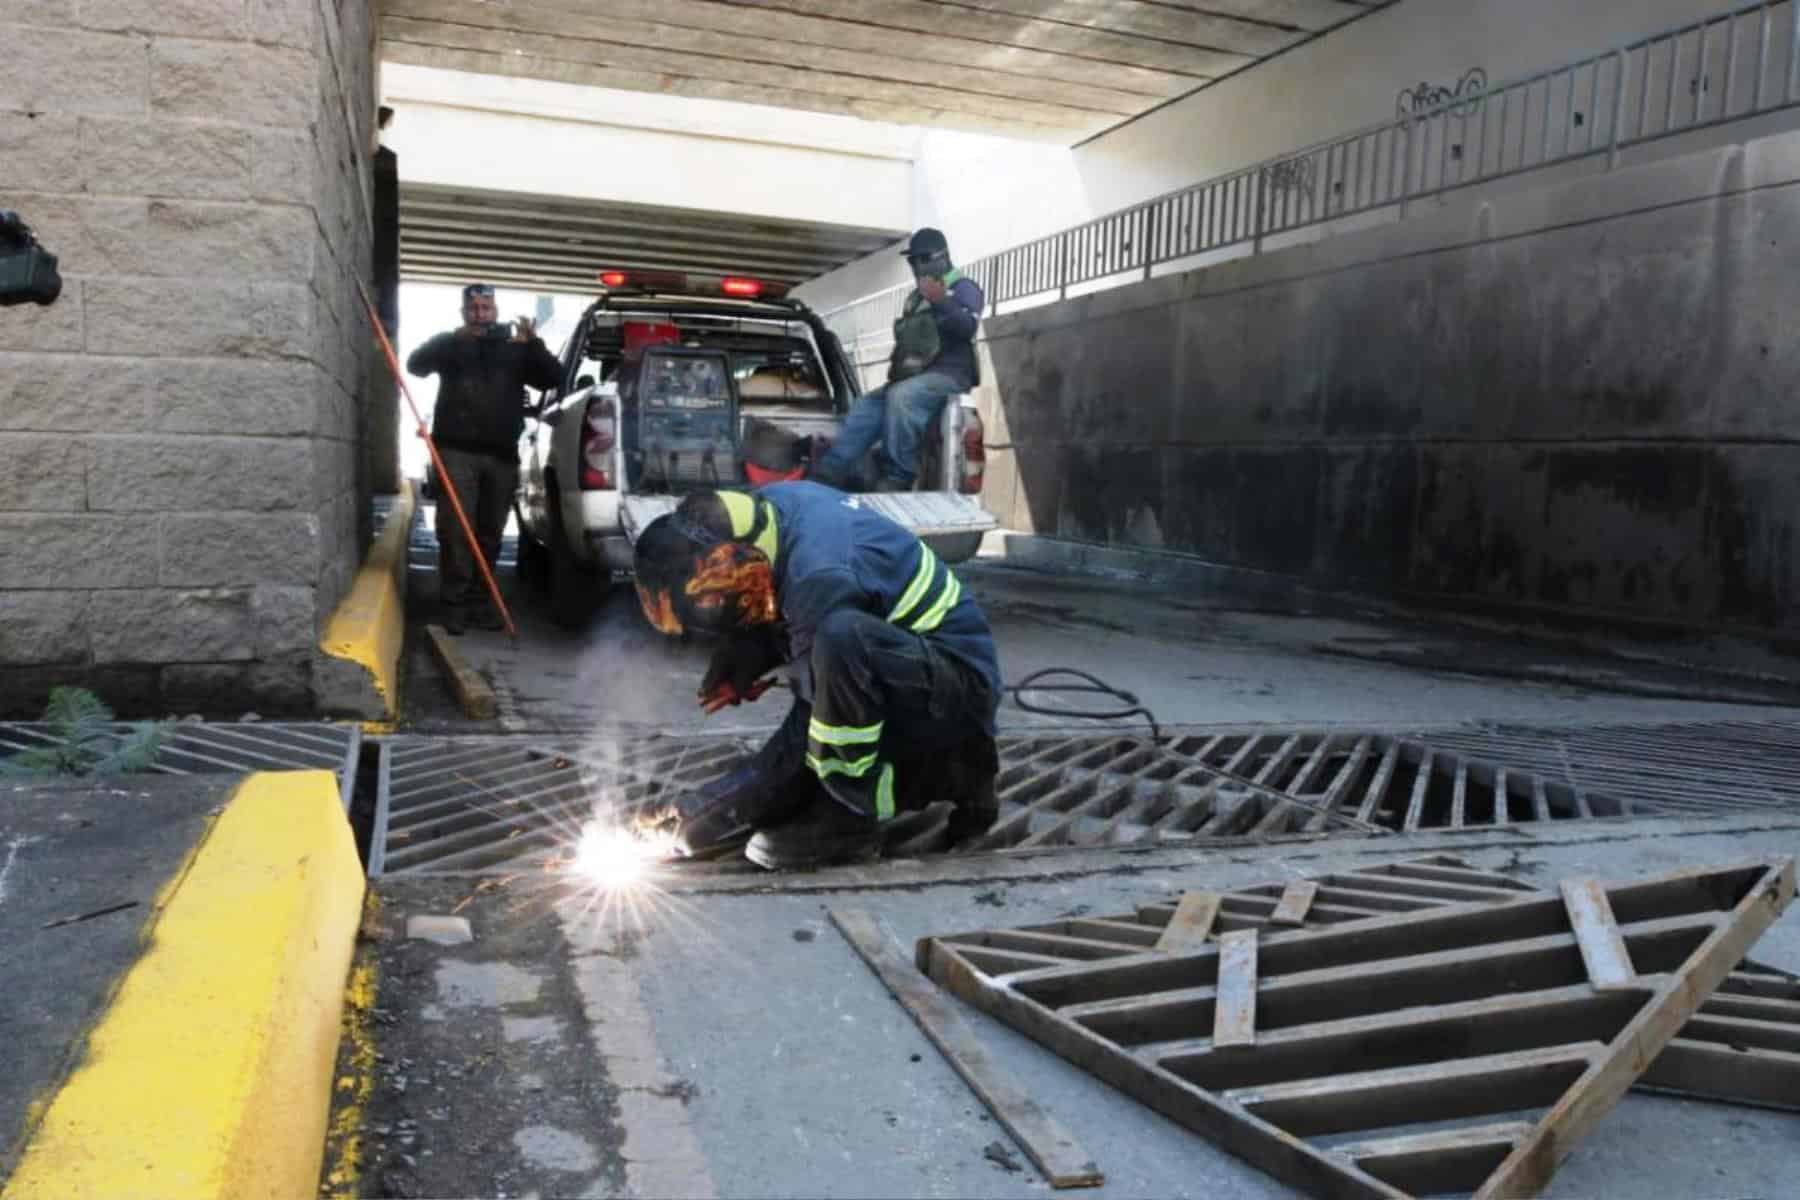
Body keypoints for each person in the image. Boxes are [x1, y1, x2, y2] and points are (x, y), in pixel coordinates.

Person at [632, 482, 1002, 870]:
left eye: (710, 599)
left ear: (734, 561)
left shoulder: (820, 577)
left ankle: (848, 818)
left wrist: (717, 807)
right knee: (834, 662)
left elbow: (811, 722)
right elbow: (780, 591)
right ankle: (968, 776)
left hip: (958, 696)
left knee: (841, 645)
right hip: (917, 671)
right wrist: (752, 649)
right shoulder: (771, 509)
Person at [407, 284, 563, 633]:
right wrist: (451, 339)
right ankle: (454, 604)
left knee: (490, 532)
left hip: (502, 455)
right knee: (456, 530)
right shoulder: (451, 344)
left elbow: (554, 378)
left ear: (496, 310)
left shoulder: (516, 348)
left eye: (486, 308)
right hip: (456, 451)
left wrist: (533, 344)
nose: (480, 314)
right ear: (464, 312)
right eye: (474, 308)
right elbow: (415, 365)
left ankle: (481, 601)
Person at [812, 228, 984, 492]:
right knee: (865, 407)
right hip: (915, 377)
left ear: (940, 257)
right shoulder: (915, 298)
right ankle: (830, 471)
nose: (916, 267)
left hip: (948, 375)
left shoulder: (964, 288)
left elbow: (967, 328)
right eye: (912, 261)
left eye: (921, 259)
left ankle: (899, 476)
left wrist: (941, 301)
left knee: (902, 397)